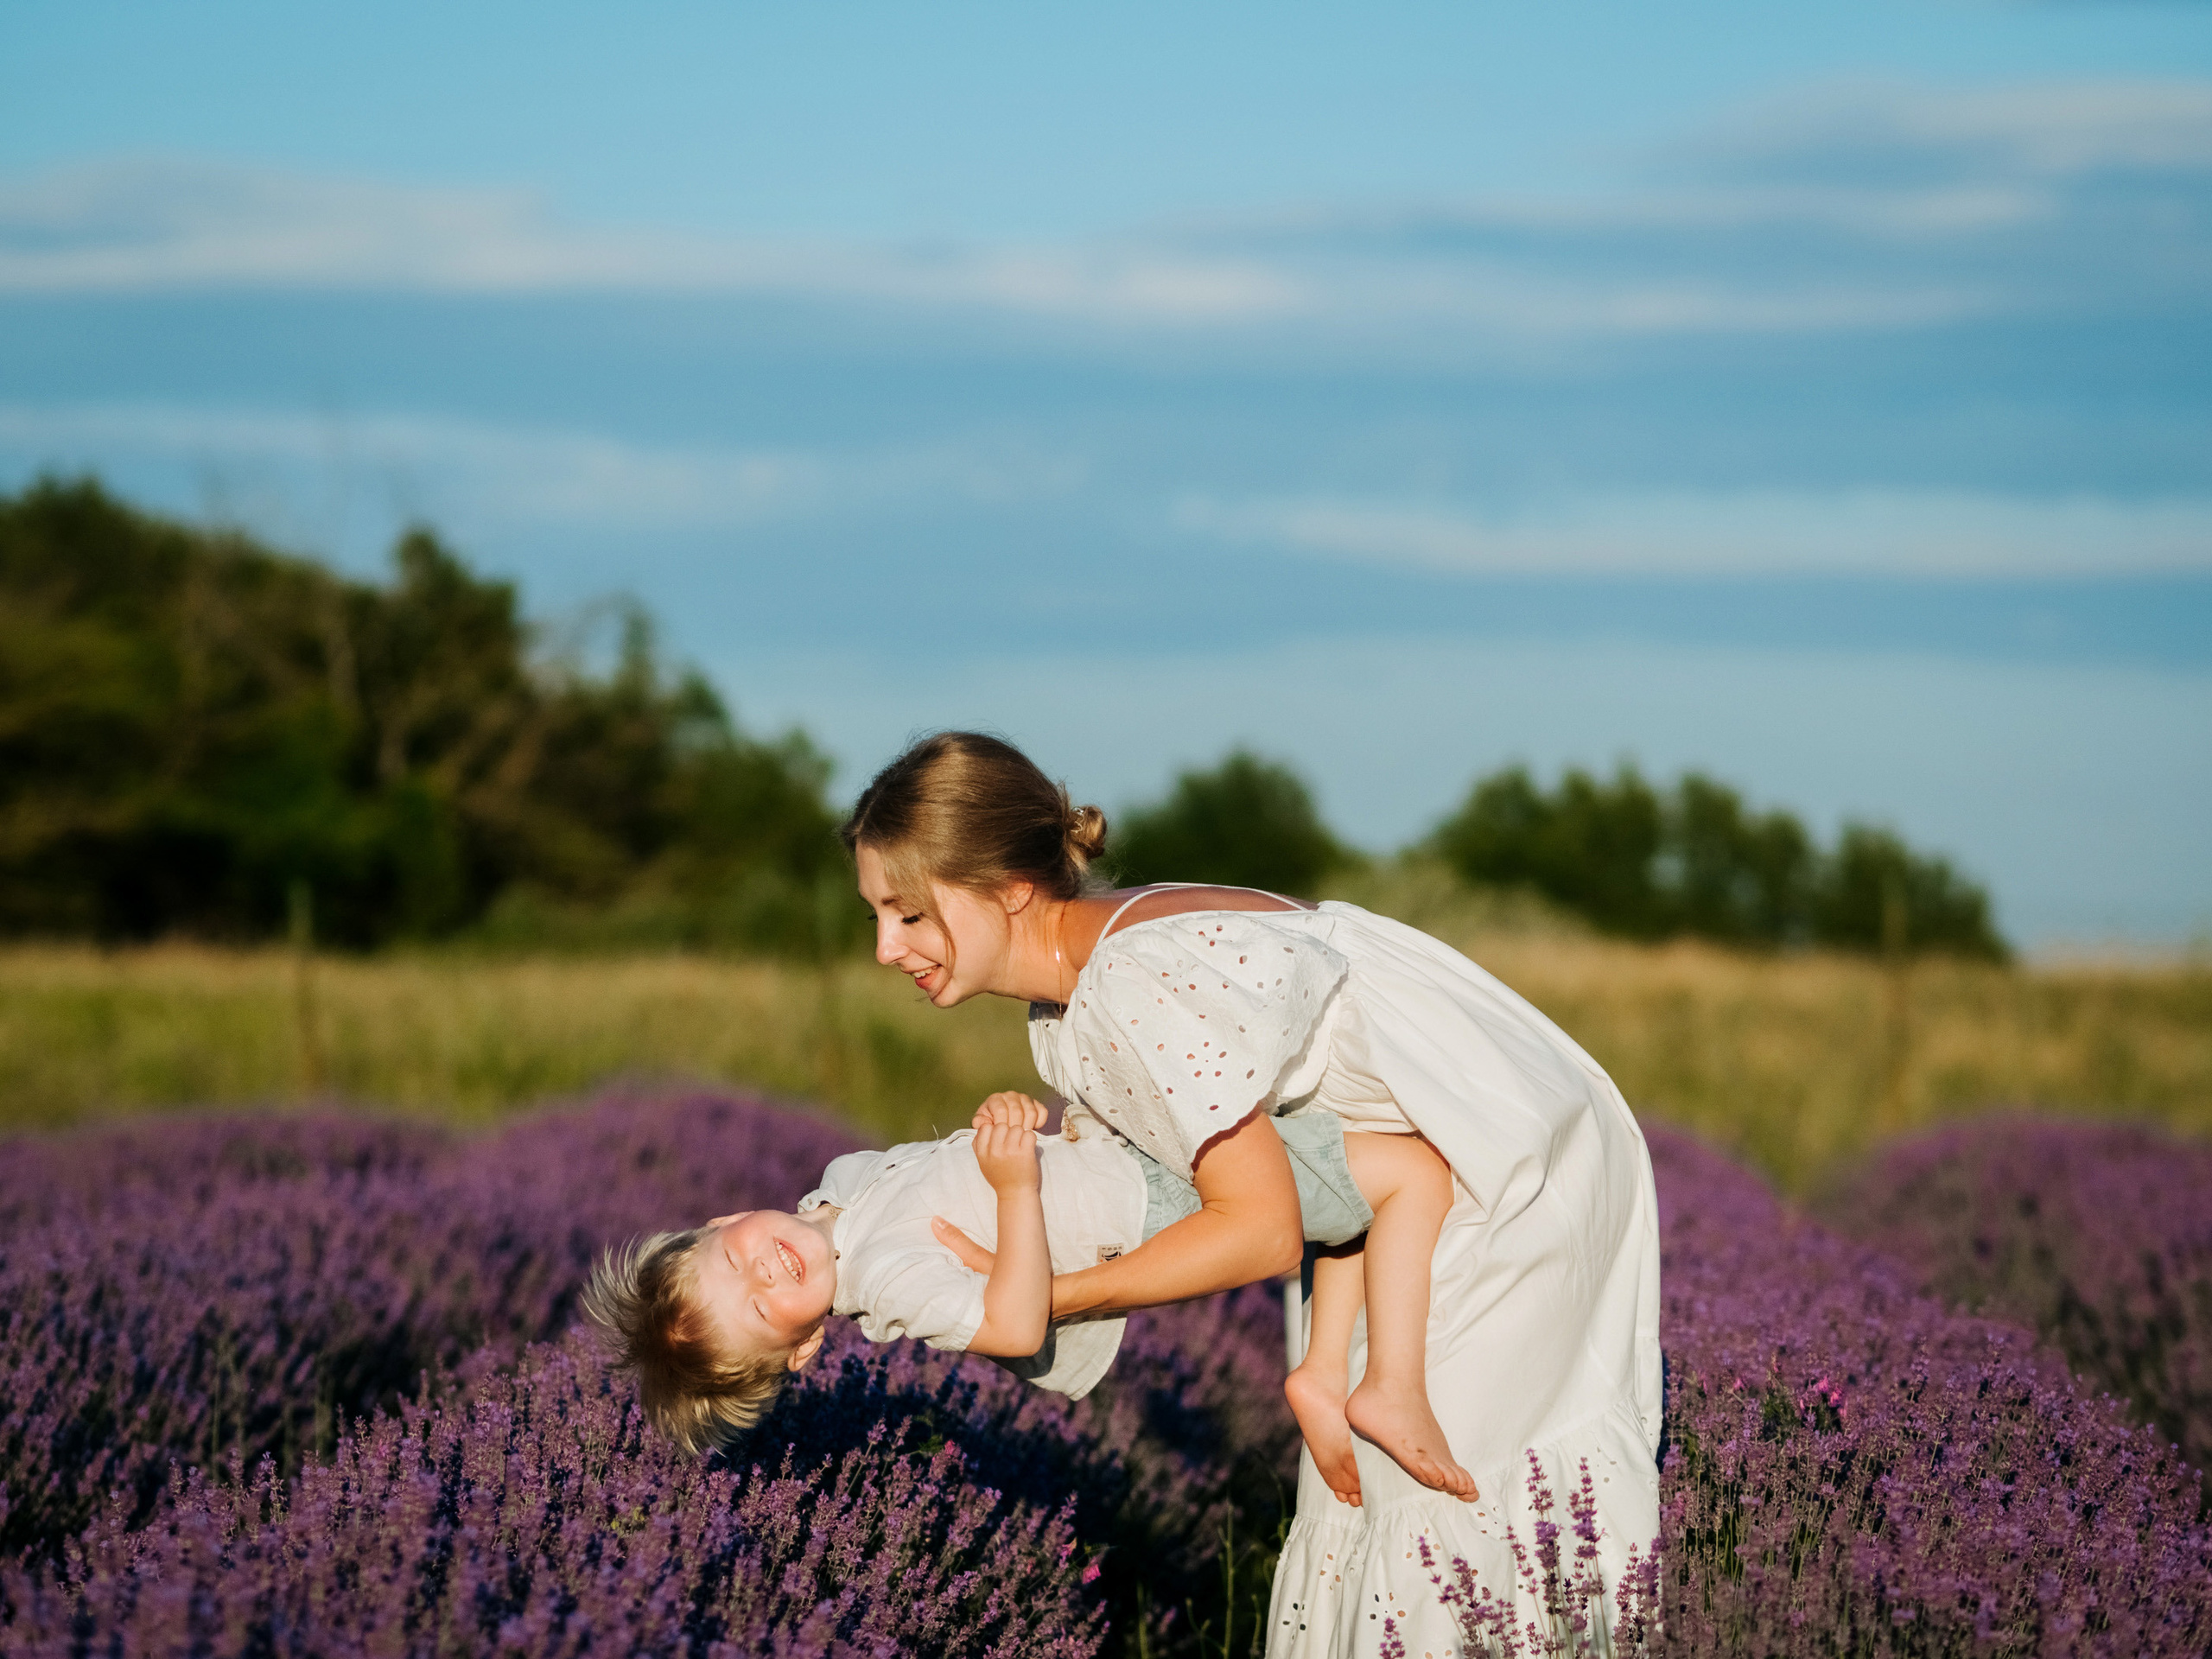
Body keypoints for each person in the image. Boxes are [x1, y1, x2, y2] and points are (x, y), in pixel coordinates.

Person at [842, 732, 1662, 1657]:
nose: (885, 947)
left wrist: (1040, 1299)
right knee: (1380, 1493)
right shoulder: (1080, 987)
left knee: (1451, 1509)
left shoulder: (1126, 985)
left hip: (1504, 1163)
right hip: (1427, 1156)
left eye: (909, 913)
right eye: (876, 916)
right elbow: (1307, 1161)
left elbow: (1262, 1231)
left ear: (1011, 889)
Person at [583, 1090, 1398, 1453]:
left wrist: (1012, 1131)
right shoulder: (890, 1280)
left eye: (735, 1260)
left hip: (1117, 1152)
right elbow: (1013, 1327)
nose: (765, 1271)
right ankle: (1386, 1381)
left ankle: (1323, 1372)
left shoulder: (836, 1194)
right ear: (802, 1353)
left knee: (1351, 1161)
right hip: (1152, 1200)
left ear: (725, 1220)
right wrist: (1016, 1185)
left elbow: (946, 1177)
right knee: (1408, 1173)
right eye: (761, 1308)